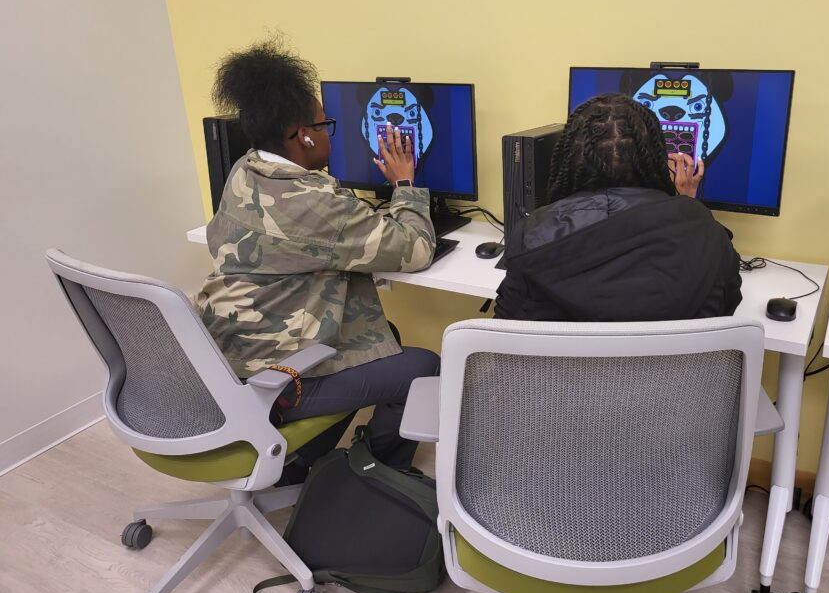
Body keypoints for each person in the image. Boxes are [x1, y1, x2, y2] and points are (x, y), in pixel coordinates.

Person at [195, 37, 438, 480]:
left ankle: (303, 461)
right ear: (303, 135)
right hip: (275, 376)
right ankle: (381, 473)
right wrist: (405, 184)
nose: (328, 131)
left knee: (383, 337)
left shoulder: (246, 169)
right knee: (425, 367)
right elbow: (416, 249)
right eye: (324, 123)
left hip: (228, 354)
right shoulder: (314, 201)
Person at [494, 94, 742, 321]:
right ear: (655, 157)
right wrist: (687, 207)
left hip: (561, 370)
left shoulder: (532, 237)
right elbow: (724, 312)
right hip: (675, 370)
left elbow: (506, 326)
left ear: (568, 160)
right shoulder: (708, 237)